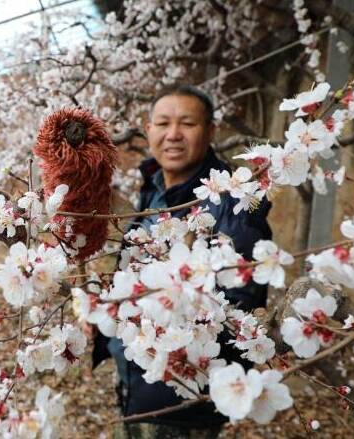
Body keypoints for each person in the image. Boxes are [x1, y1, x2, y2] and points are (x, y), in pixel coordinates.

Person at [93, 85, 272, 438]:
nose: (173, 134)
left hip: (181, 398)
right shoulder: (155, 186)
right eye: (163, 123)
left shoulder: (233, 204)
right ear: (148, 130)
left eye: (187, 123)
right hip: (139, 377)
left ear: (210, 131)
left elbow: (240, 305)